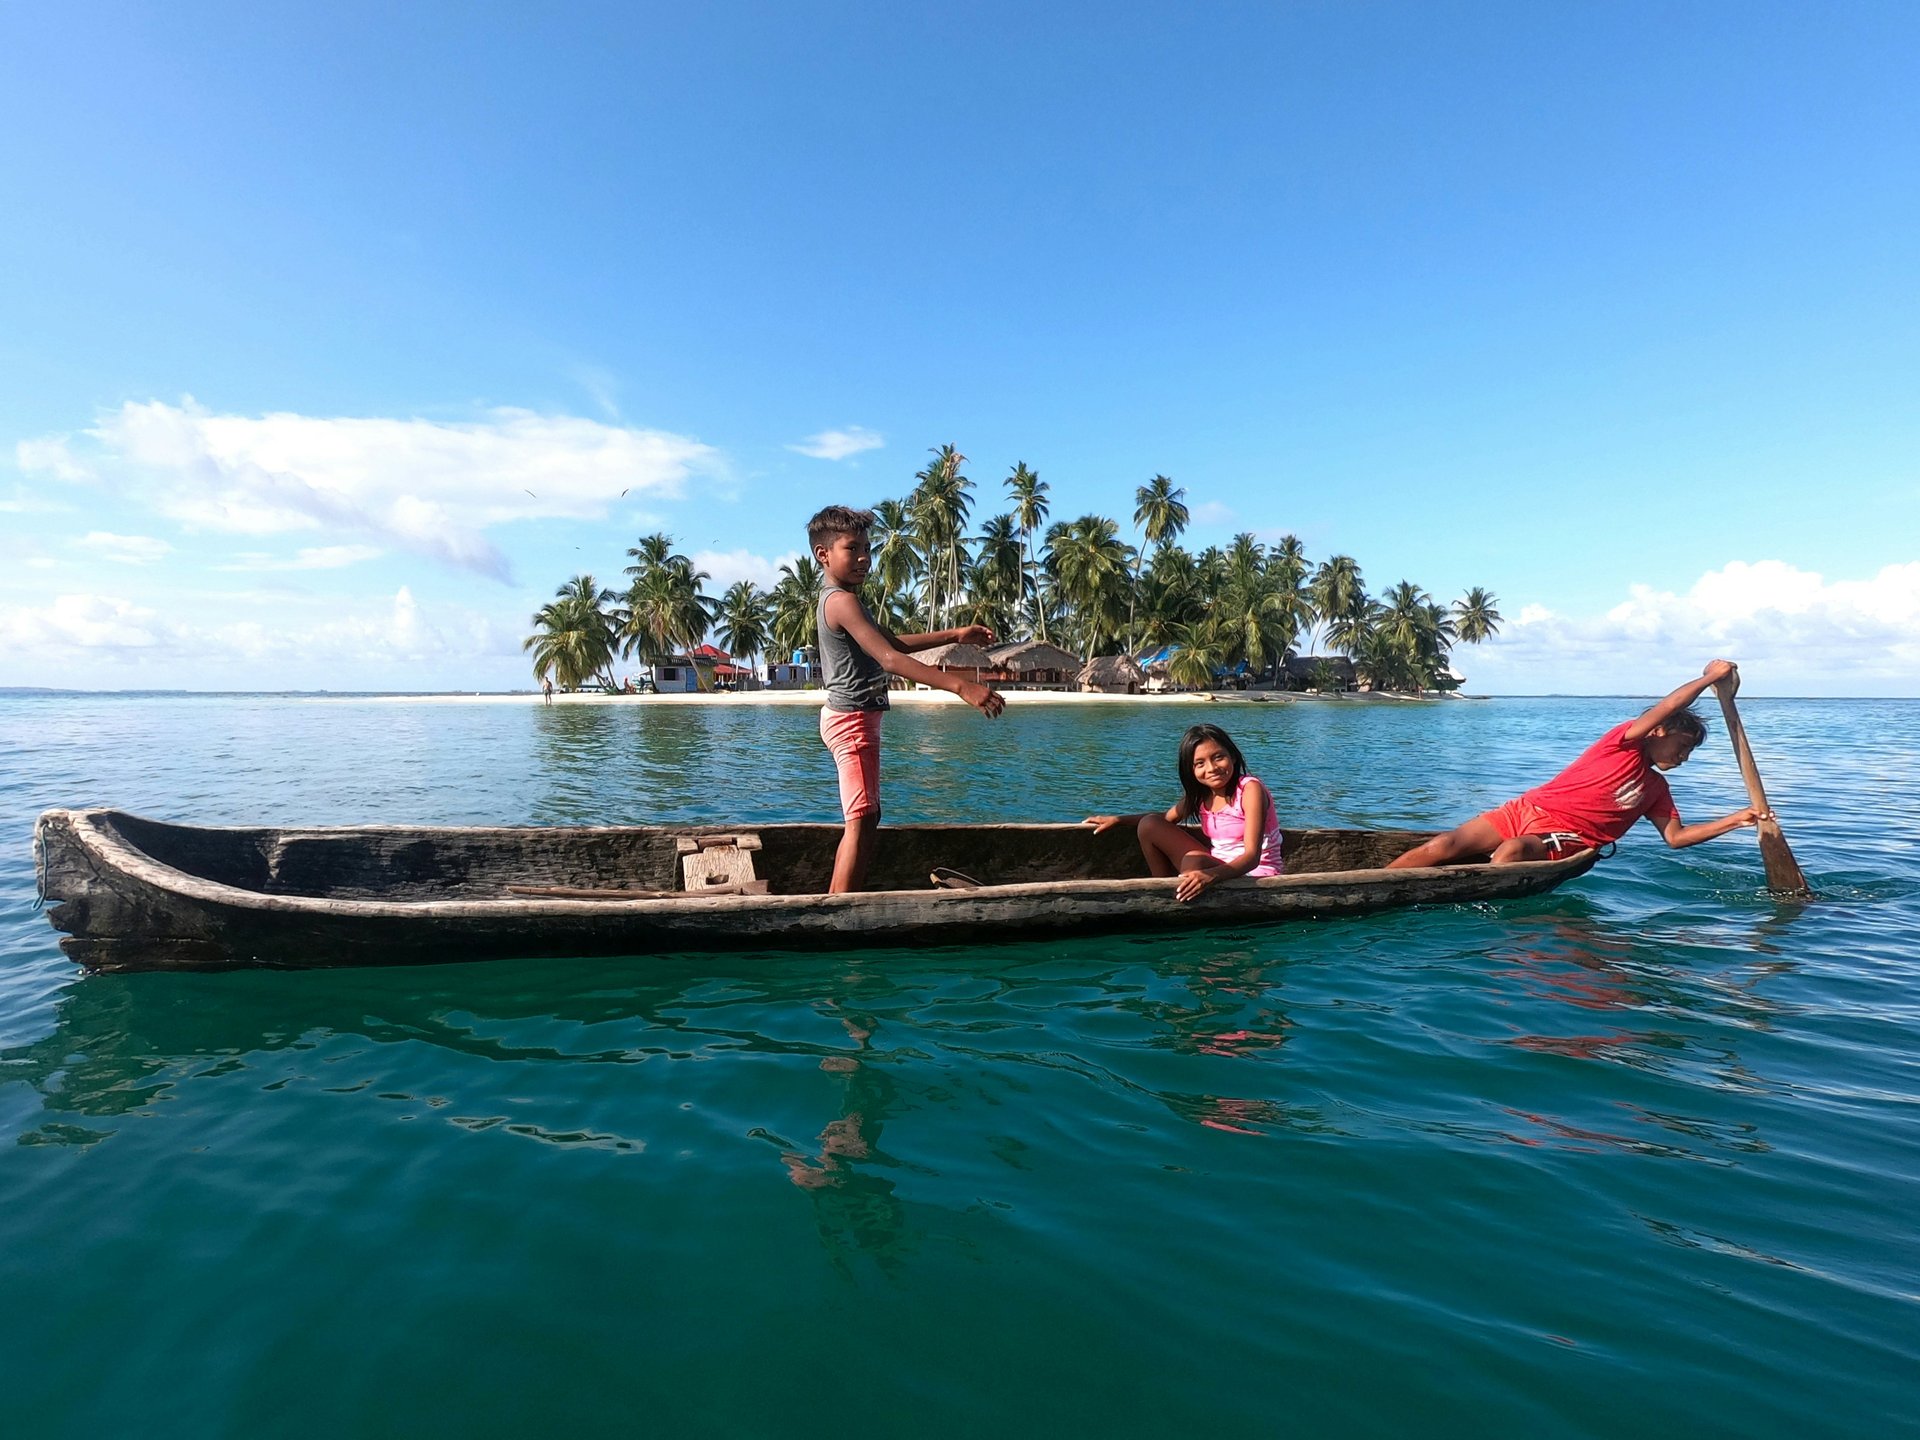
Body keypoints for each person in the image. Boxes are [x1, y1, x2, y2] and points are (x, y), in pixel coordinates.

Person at [1385, 659, 1766, 869]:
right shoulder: (1623, 743)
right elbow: (1668, 706)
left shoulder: (1655, 790)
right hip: (1526, 809)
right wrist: (1710, 679)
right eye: (1682, 747)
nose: (1683, 758)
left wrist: (1736, 819)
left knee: (1511, 853)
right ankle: (1382, 882)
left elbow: (1676, 839)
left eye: (1690, 754)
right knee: (1444, 844)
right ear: (1659, 732)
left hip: (1570, 837)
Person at [810, 505, 1006, 893]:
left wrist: (954, 634)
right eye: (854, 549)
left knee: (867, 815)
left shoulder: (845, 599)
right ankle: (838, 907)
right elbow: (889, 658)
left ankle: (841, 897)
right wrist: (961, 687)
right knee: (863, 818)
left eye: (868, 548)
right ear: (824, 554)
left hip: (855, 719)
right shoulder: (841, 601)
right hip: (852, 721)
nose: (865, 558)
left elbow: (893, 643)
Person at [1084, 723, 1284, 902]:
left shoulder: (1249, 790)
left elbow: (1251, 857)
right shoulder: (1202, 795)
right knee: (1149, 824)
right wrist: (1118, 820)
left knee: (1193, 860)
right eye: (1200, 764)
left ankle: (1177, 896)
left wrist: (1210, 875)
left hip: (1254, 873)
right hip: (1216, 866)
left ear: (1232, 756)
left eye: (1219, 757)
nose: (1212, 768)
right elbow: (1164, 819)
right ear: (1191, 770)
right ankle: (1162, 891)